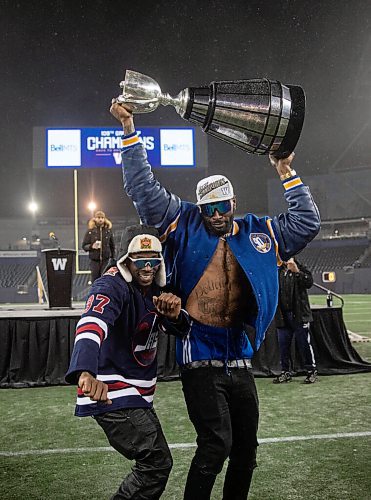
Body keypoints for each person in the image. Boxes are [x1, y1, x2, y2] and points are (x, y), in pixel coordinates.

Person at [110, 101, 320, 500]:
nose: (216, 216)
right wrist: (128, 126)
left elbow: (308, 222)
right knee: (215, 445)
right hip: (199, 353)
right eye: (209, 210)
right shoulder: (183, 220)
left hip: (239, 356)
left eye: (222, 208)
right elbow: (142, 187)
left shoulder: (262, 233)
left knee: (246, 450)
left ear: (233, 204)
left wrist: (285, 171)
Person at [66, 224, 190, 500]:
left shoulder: (155, 288)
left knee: (156, 464)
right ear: (125, 260)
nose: (148, 266)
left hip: (134, 392)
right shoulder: (111, 285)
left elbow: (178, 329)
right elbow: (91, 324)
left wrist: (175, 315)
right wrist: (85, 371)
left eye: (153, 259)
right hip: (111, 390)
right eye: (140, 259)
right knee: (156, 463)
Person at [273, 257, 318, 384]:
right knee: (283, 346)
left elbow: (309, 283)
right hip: (283, 315)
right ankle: (285, 371)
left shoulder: (300, 267)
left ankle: (311, 370)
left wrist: (297, 271)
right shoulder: (278, 270)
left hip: (298, 314)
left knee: (304, 344)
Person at [82, 210, 115, 282]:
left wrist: (113, 258)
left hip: (106, 260)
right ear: (95, 218)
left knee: (105, 280)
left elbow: (112, 246)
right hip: (94, 261)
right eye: (98, 217)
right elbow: (84, 246)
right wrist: (91, 246)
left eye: (102, 218)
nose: (100, 219)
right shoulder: (90, 232)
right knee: (95, 280)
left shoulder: (108, 231)